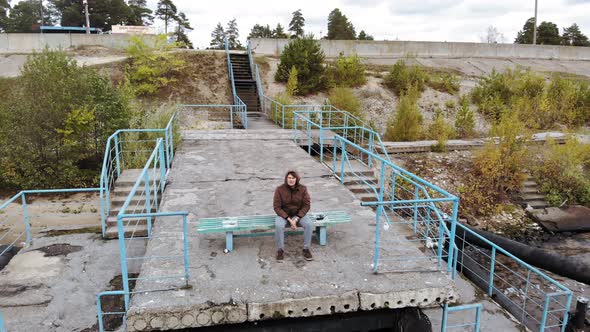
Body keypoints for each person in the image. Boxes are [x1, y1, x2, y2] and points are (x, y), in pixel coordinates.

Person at [273, 170, 313, 262]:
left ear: (297, 179)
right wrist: (289, 219)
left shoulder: (303, 189)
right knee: (279, 225)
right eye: (289, 178)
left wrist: (297, 218)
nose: (291, 180)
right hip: (283, 215)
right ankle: (280, 250)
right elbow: (276, 207)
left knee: (309, 224)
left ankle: (306, 249)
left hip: (298, 214)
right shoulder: (279, 189)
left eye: (293, 178)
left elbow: (306, 205)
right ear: (286, 179)